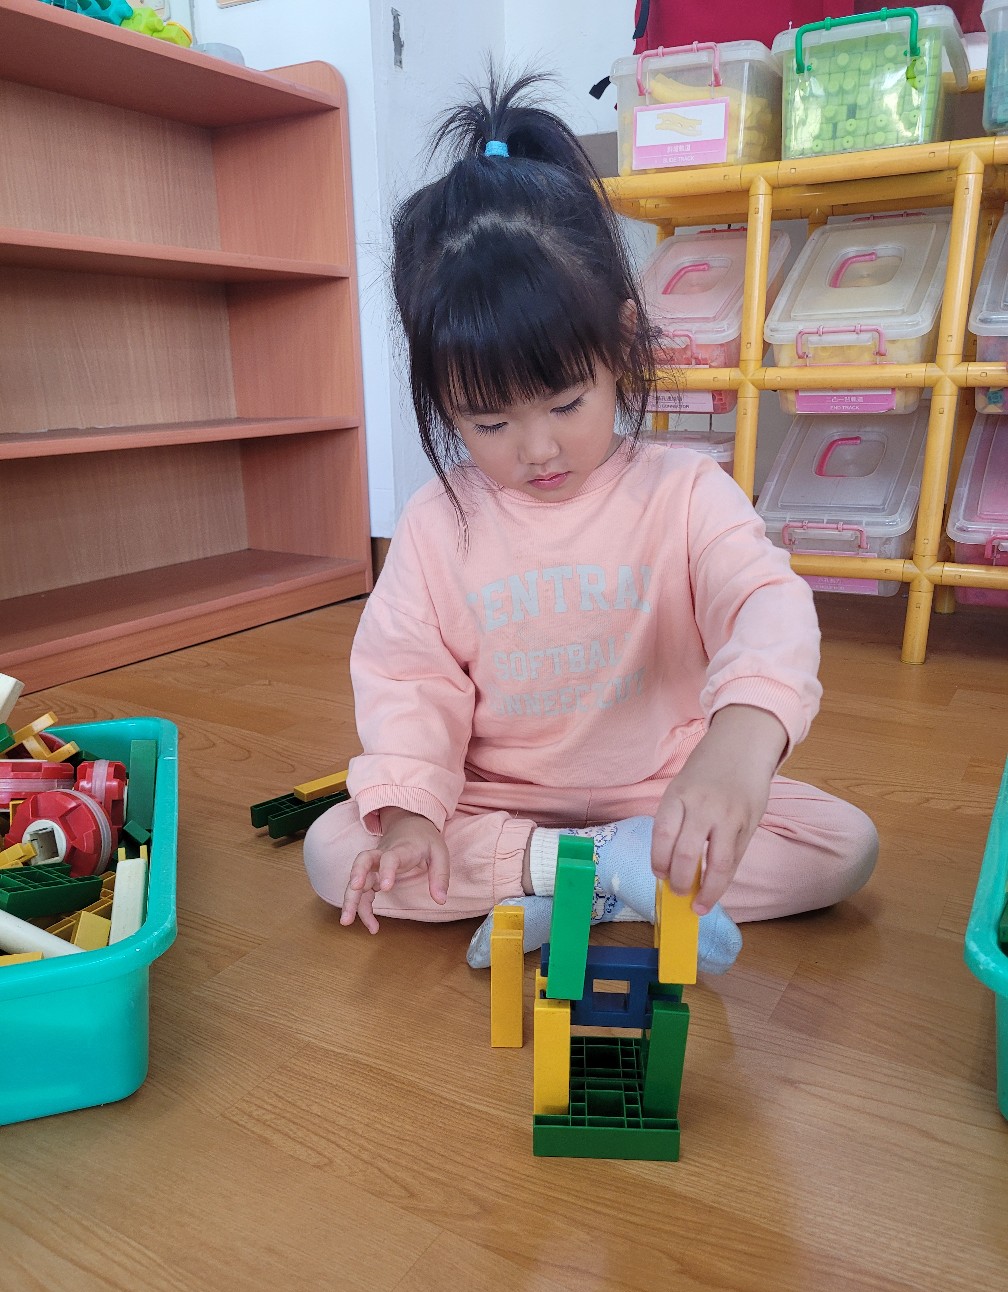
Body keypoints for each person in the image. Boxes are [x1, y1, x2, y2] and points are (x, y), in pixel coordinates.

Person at [303, 70, 879, 972]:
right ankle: (613, 875)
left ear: (619, 343)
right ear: (443, 404)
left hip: (663, 792)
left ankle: (567, 882)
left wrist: (740, 742)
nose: (537, 449)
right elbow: (408, 682)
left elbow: (764, 603)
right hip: (498, 802)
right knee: (336, 852)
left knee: (841, 845)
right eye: (487, 423)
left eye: (566, 403)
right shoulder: (436, 523)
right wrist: (413, 813)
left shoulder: (684, 492)